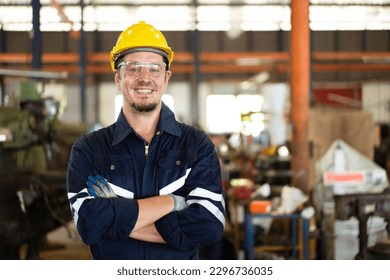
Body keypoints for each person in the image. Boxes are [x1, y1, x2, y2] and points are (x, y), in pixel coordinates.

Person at [66, 21, 225, 260]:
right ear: (118, 79)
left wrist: (116, 218)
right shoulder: (89, 149)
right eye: (133, 68)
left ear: (166, 78)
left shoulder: (195, 144)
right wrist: (172, 202)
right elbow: (89, 224)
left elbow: (209, 225)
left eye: (154, 68)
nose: (144, 78)